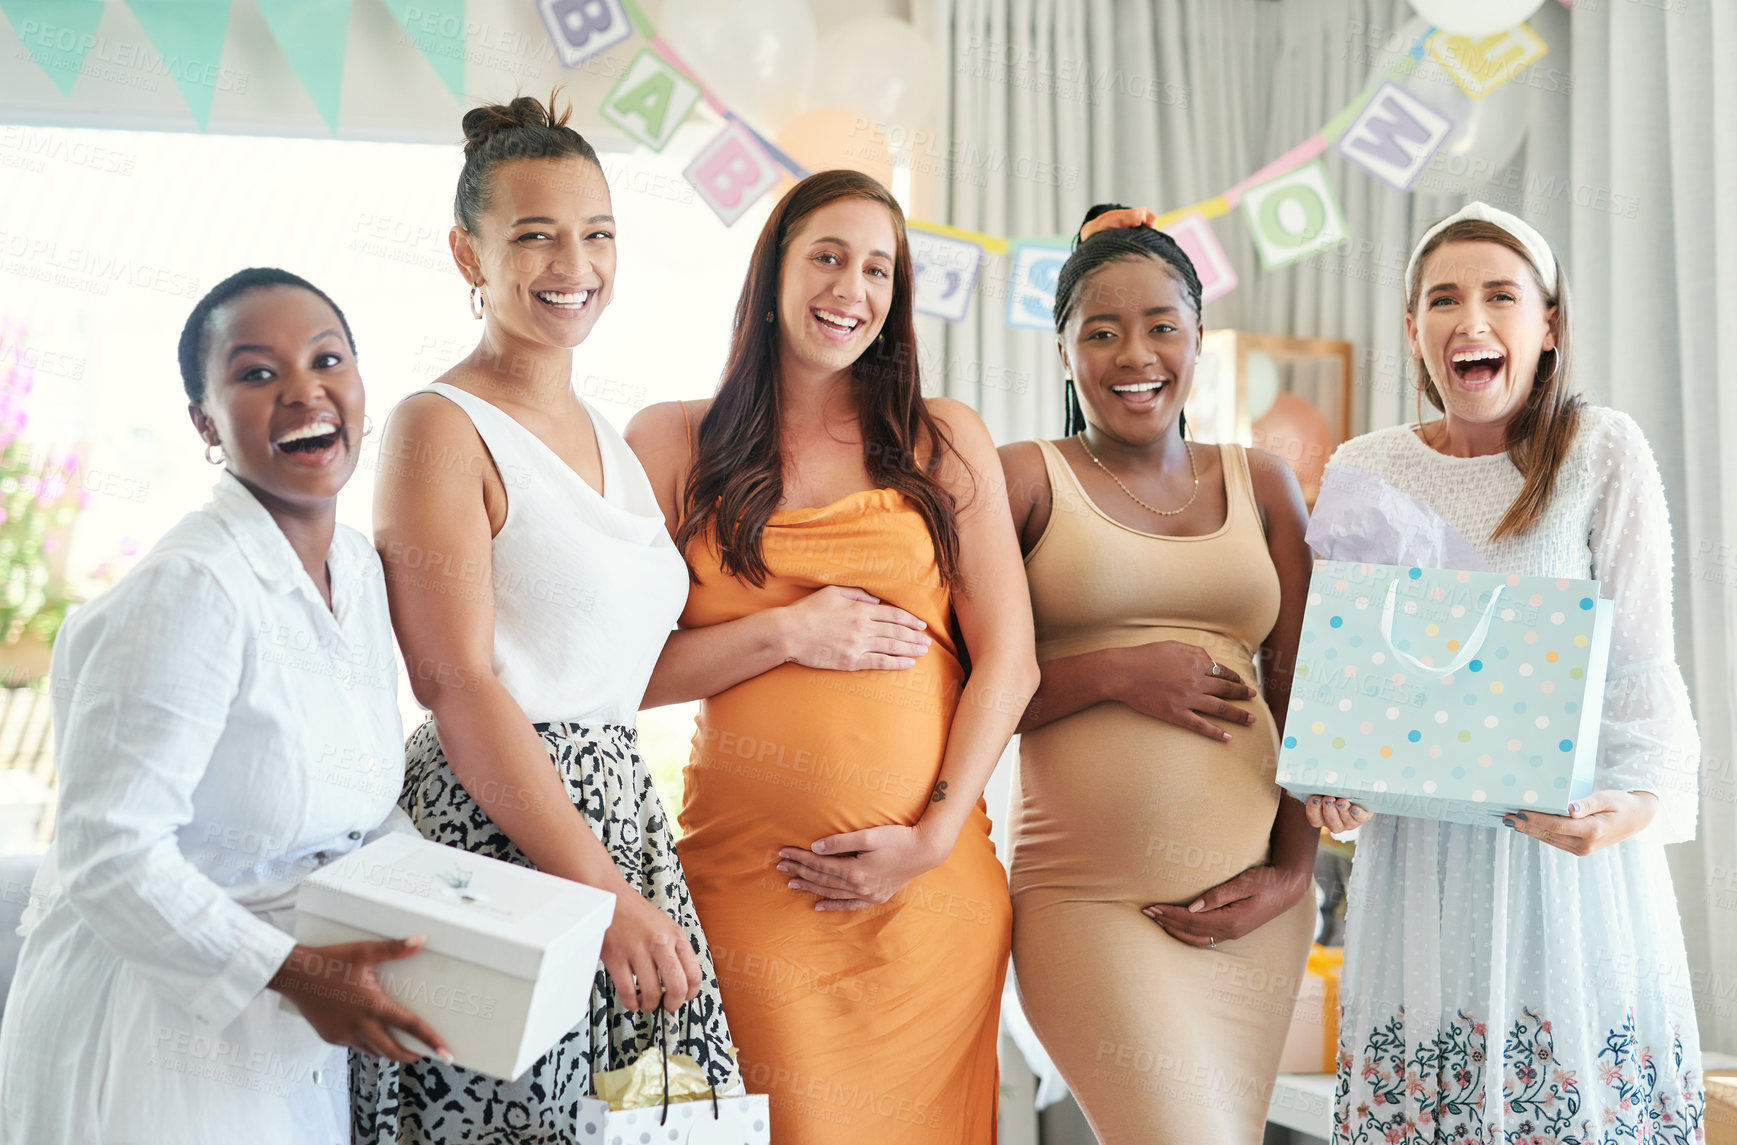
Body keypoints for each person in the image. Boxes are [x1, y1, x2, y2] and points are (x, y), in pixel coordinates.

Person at [351, 95, 736, 1145]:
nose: (576, 261)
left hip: (620, 823)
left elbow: (613, 671)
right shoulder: (440, 424)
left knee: (655, 1120)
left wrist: (794, 636)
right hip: (505, 833)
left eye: (597, 232)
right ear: (466, 254)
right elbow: (457, 680)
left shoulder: (608, 435)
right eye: (534, 235)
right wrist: (597, 889)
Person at [626, 169, 1038, 1144]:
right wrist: (783, 631)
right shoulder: (672, 440)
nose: (850, 287)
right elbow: (615, 675)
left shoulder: (943, 441)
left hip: (926, 893)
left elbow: (1010, 662)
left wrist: (931, 838)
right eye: (826, 256)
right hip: (752, 891)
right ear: (772, 273)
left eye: (877, 269)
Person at [0, 268, 452, 1145]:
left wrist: (467, 908)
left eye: (328, 358)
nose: (303, 390)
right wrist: (290, 970)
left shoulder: (357, 570)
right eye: (255, 373)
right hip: (150, 1032)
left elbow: (353, 806)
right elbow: (108, 854)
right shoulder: (191, 588)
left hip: (284, 1028)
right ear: (205, 423)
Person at [1306, 201, 1706, 1142]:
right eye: (1443, 299)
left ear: (1549, 322)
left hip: (1569, 873)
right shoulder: (1366, 466)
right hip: (1421, 878)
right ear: (1413, 330)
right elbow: (1348, 681)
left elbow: (1646, 667)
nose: (1470, 320)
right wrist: (1336, 788)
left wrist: (1633, 808)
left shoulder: (1600, 450)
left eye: (1501, 296)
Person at [998, 204, 1319, 1143]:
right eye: (1101, 331)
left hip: (1254, 907)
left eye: (1161, 325)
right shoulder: (1023, 478)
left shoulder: (1262, 482)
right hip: (1092, 904)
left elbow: (1306, 688)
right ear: (1063, 352)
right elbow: (960, 690)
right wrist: (1111, 672)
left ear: (1198, 340)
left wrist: (1294, 871)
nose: (1135, 353)